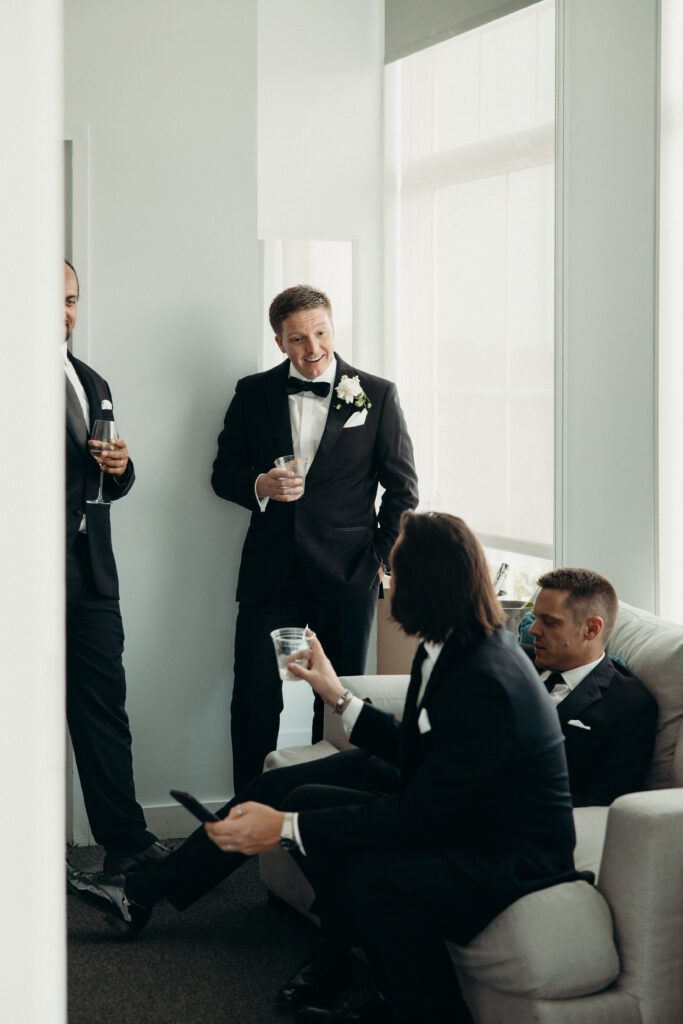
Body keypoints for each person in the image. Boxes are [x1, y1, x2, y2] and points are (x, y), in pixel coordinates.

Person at [68, 512, 585, 1024]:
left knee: (359, 867)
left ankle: (398, 1000)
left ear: (426, 584)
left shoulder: (485, 675)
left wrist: (283, 828)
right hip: (457, 814)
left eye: (394, 570)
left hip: (504, 852)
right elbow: (415, 748)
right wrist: (335, 694)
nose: (386, 578)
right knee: (299, 795)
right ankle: (360, 976)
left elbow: (420, 816)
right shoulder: (443, 647)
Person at [211, 284, 418, 790]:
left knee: (337, 698)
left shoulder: (377, 393)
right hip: (270, 574)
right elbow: (223, 473)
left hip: (348, 574)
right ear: (279, 342)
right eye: (298, 339)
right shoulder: (252, 392)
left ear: (332, 327)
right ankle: (248, 809)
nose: (313, 349)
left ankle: (323, 806)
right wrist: (259, 485)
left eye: (321, 333)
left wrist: (376, 559)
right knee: (254, 697)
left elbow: (403, 490)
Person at [64, 260, 166, 876]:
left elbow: (109, 482)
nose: (64, 312)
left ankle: (125, 844)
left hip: (94, 572)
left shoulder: (91, 380)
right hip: (24, 579)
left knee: (104, 708)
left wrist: (122, 467)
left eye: (71, 299)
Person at [525, 568, 658, 806]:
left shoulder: (630, 705)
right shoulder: (515, 662)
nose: (533, 630)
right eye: (535, 618)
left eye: (549, 622)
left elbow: (602, 801)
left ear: (592, 629)